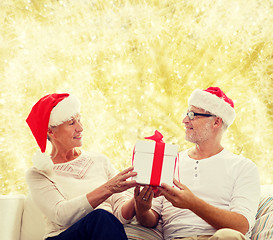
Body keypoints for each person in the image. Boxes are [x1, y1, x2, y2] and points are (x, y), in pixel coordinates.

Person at [134, 87, 260, 240]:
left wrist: (193, 203)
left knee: (228, 236)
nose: (185, 120)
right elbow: (150, 219)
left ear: (216, 122)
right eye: (187, 114)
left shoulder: (243, 167)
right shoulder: (171, 161)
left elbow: (241, 226)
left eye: (192, 115)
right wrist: (142, 210)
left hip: (220, 238)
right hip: (178, 238)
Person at [25, 93, 137, 240]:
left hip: (103, 233)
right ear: (51, 132)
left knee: (103, 219)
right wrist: (108, 188)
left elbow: (120, 215)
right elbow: (61, 214)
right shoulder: (38, 174)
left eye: (79, 120)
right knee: (100, 217)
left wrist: (137, 200)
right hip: (63, 237)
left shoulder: (100, 161)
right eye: (72, 123)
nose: (80, 127)